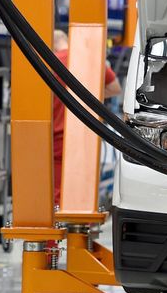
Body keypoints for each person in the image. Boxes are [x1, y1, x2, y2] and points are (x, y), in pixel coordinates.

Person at [52, 29, 122, 205]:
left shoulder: (49, 63)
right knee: (84, 191)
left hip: (59, 137)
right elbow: (115, 88)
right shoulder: (88, 57)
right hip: (87, 136)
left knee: (58, 193)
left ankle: (62, 220)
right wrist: (88, 97)